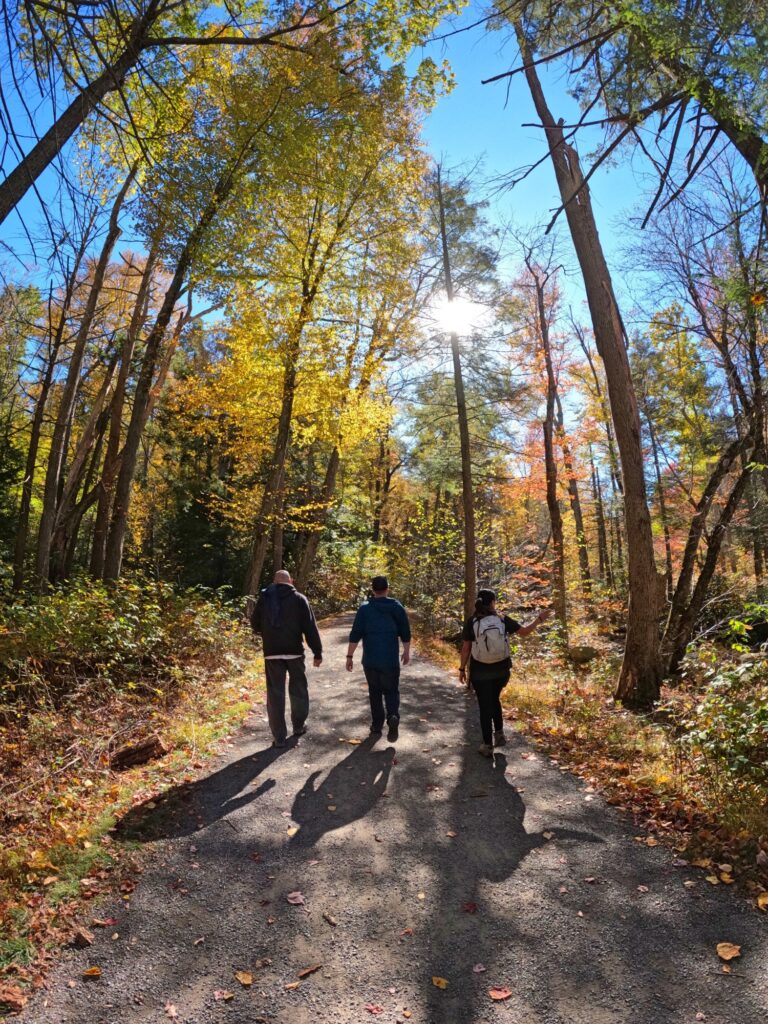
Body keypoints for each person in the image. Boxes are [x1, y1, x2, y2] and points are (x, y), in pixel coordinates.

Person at [459, 589, 551, 757]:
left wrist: (462, 668)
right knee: (495, 698)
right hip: (501, 671)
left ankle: (487, 745)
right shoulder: (502, 619)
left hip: (480, 672)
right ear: (493, 602)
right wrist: (539, 619)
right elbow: (524, 632)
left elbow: (466, 648)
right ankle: (499, 733)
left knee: (485, 706)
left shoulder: (472, 621)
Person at [251, 569, 323, 748]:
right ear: (291, 581)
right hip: (295, 652)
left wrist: (268, 632)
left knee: (275, 694)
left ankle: (279, 737)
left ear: (275, 582)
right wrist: (317, 652)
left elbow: (254, 624)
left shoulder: (265, 598)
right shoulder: (299, 599)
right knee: (298, 689)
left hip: (272, 653)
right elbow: (310, 627)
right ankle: (298, 726)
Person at [345, 575, 411, 742]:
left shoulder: (365, 609)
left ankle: (376, 726)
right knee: (391, 690)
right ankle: (393, 716)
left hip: (371, 660)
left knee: (374, 692)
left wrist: (349, 656)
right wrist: (406, 651)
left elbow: (355, 634)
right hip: (390, 660)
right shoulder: (396, 607)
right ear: (387, 588)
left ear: (373, 590)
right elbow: (405, 631)